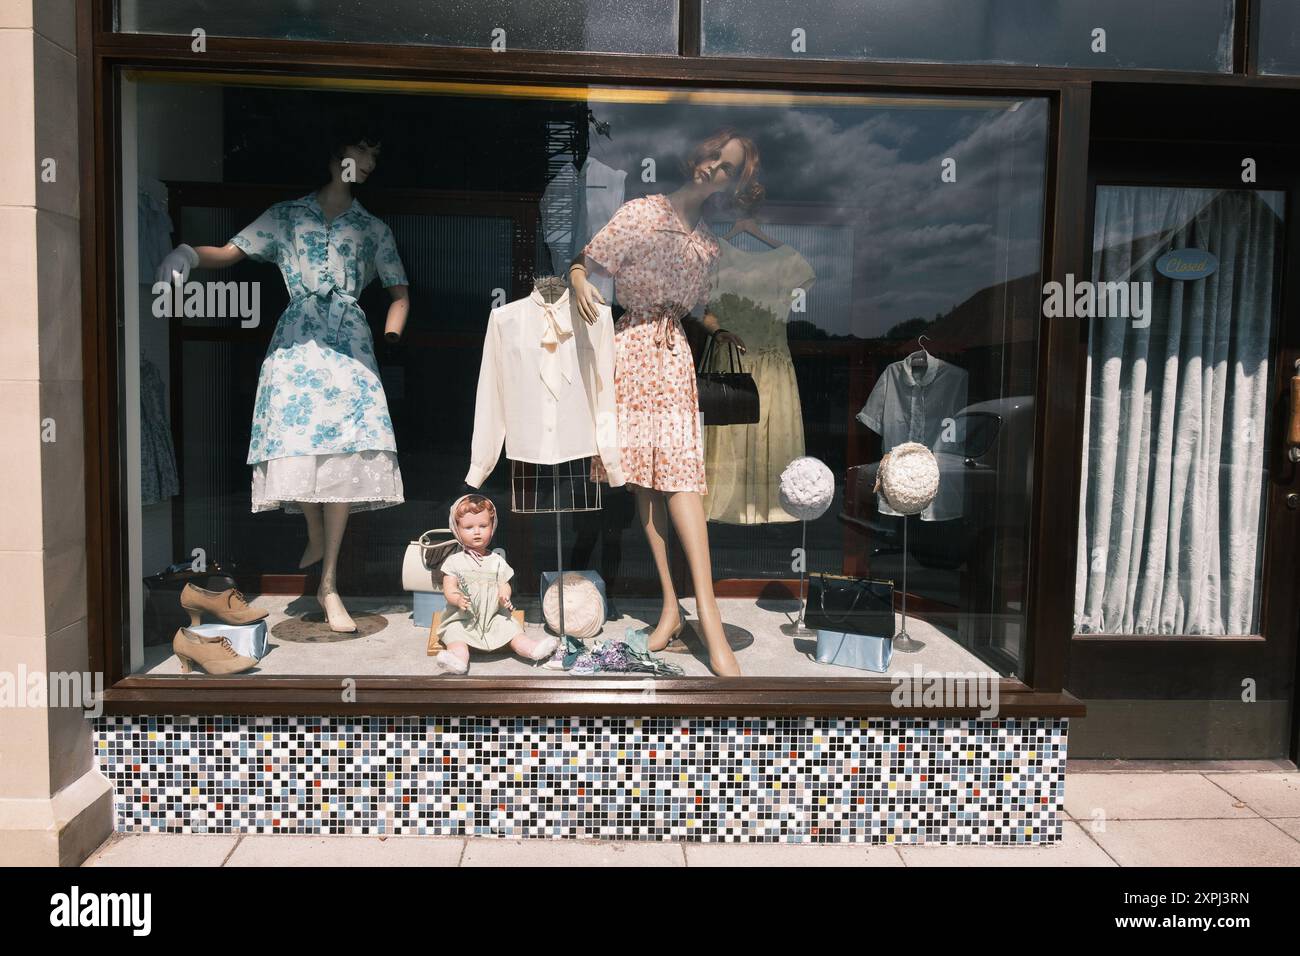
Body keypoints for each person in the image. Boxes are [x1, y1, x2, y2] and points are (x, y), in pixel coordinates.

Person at [569, 128, 763, 677]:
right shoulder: (641, 213)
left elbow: (697, 306)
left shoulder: (706, 242)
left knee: (681, 478)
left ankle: (709, 616)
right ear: (697, 157)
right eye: (712, 158)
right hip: (629, 350)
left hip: (673, 355)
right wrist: (581, 278)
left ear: (731, 182)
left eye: (727, 168)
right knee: (645, 486)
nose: (713, 170)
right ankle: (671, 609)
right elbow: (585, 259)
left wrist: (718, 331)